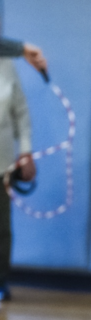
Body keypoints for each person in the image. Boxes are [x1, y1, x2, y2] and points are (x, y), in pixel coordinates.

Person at [0, 48, 34, 302]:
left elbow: (20, 113)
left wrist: (25, 152)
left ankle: (1, 282)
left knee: (2, 228)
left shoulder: (7, 65)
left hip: (2, 164)